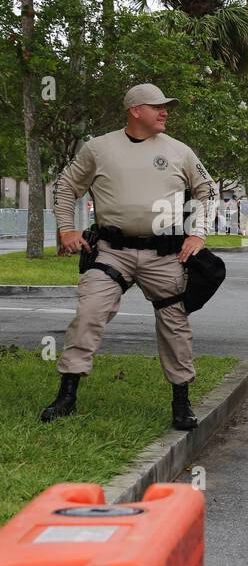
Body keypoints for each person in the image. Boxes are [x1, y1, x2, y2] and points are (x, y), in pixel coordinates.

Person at [44, 83, 217, 430]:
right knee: (89, 312)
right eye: (157, 106)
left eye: (167, 106)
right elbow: (66, 186)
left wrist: (198, 232)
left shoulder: (179, 151)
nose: (165, 111)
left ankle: (181, 402)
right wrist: (66, 229)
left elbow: (208, 191)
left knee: (174, 324)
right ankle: (67, 394)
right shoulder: (99, 148)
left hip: (164, 254)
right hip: (111, 252)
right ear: (135, 110)